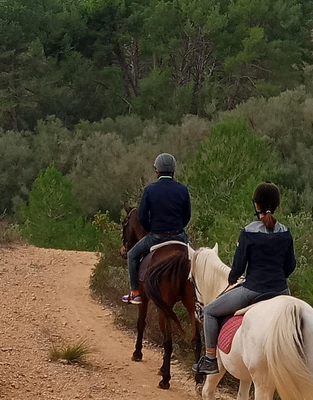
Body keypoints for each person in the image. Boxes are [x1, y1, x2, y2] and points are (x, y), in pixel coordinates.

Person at [193, 181, 296, 375]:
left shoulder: (248, 232)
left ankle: (210, 359)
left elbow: (238, 268)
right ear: (276, 206)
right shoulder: (286, 232)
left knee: (209, 311)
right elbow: (290, 266)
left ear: (256, 205)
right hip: (282, 291)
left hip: (253, 290)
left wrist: (232, 278)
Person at [122, 153, 191, 305]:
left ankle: (135, 293)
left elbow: (141, 216)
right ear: (173, 170)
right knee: (196, 259)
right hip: (179, 237)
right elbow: (187, 216)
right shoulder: (182, 189)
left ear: (157, 171)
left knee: (132, 255)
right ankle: (198, 295)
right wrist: (179, 229)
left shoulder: (150, 190)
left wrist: (151, 230)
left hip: (157, 236)